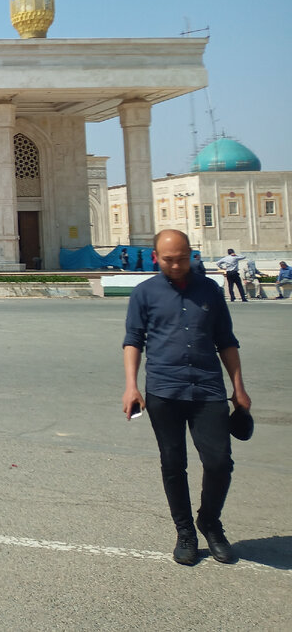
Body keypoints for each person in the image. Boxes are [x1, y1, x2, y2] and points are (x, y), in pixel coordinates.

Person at [123, 229, 250, 566]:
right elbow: (133, 340)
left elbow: (227, 341)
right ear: (156, 258)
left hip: (208, 388)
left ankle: (209, 520)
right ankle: (185, 533)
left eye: (181, 258)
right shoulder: (144, 293)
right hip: (164, 391)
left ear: (191, 254)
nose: (176, 265)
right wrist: (131, 385)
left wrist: (239, 388)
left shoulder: (209, 289)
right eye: (168, 259)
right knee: (173, 463)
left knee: (220, 461)